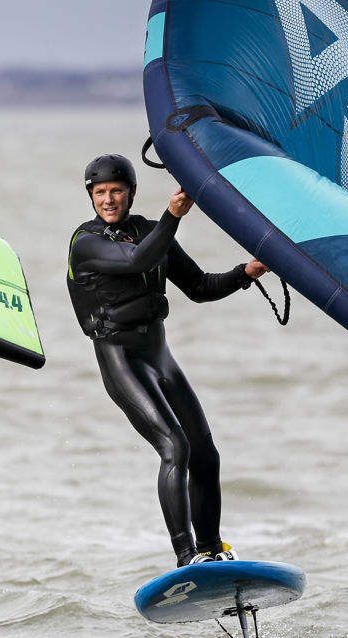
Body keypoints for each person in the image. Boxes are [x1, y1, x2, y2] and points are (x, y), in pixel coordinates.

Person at [66, 154, 268, 568]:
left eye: (116, 191)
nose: (108, 200)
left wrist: (246, 271)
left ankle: (212, 550)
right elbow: (136, 261)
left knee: (206, 453)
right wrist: (172, 216)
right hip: (121, 358)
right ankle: (186, 557)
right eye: (100, 193)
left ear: (131, 192)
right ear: (91, 196)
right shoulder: (85, 243)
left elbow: (198, 286)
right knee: (174, 447)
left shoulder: (147, 229)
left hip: (159, 355)